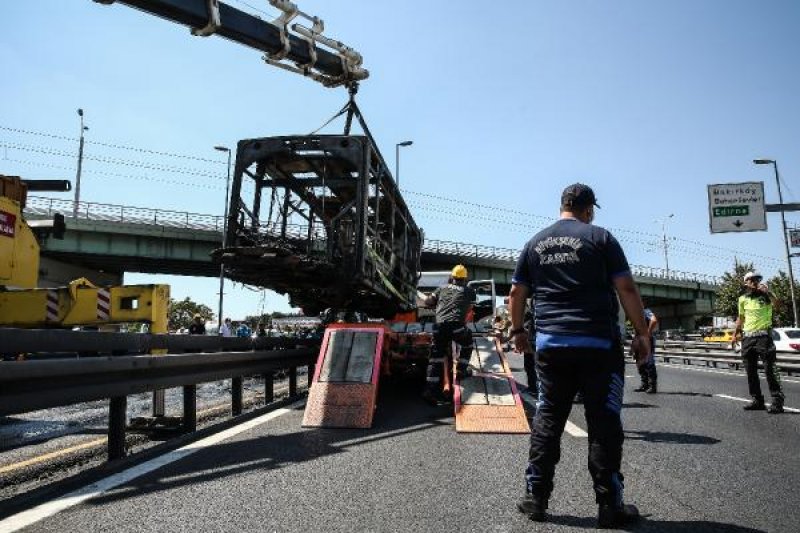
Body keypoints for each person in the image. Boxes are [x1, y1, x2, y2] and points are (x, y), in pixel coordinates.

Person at [509, 183, 651, 528]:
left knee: (548, 418)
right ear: (589, 210)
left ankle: (535, 496)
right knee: (603, 423)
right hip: (598, 346)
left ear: (562, 206)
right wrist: (642, 333)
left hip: (552, 348)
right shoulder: (600, 238)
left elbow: (517, 292)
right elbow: (626, 288)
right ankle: (609, 504)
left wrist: (518, 331)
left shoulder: (534, 243)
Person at [420, 264, 476, 405]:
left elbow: (428, 302)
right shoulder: (469, 291)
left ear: (451, 277)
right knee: (468, 342)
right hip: (456, 327)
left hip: (439, 328)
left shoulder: (442, 288)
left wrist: (435, 303)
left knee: (435, 358)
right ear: (465, 279)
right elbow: (469, 307)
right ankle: (460, 370)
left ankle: (430, 391)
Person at [732, 271, 784, 414]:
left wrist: (770, 293)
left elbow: (779, 306)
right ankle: (757, 400)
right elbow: (741, 318)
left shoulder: (766, 296)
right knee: (750, 371)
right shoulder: (742, 299)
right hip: (747, 338)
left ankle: (777, 401)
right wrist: (735, 334)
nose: (755, 281)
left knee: (770, 369)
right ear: (746, 282)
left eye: (757, 279)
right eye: (752, 279)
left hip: (763, 337)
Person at [633, 308, 659, 394]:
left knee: (649, 361)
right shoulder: (636, 314)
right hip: (639, 339)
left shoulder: (646, 311)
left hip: (646, 339)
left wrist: (648, 333)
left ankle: (652, 386)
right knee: (639, 361)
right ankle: (645, 384)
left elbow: (654, 320)